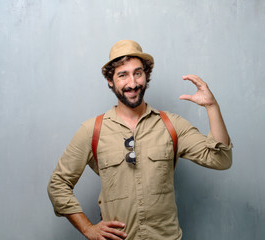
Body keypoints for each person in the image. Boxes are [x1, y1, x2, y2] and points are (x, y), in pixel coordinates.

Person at [48, 40, 232, 240]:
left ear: (146, 75)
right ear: (110, 80)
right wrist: (87, 229)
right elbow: (58, 184)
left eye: (138, 73)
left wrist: (212, 107)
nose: (132, 83)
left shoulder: (171, 125)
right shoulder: (92, 130)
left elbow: (221, 159)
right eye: (122, 75)